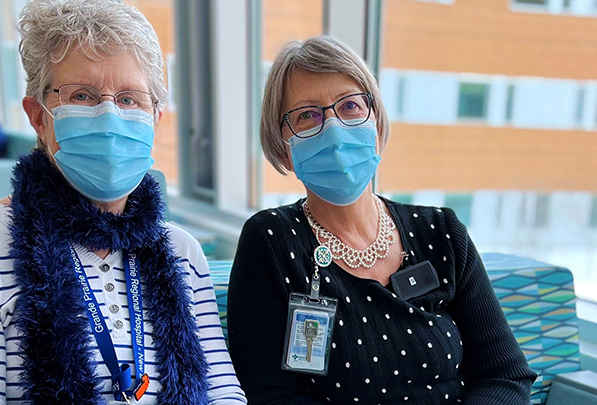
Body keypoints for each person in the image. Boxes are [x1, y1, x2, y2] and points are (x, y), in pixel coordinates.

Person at [0, 1, 246, 404]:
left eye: (129, 99)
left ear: (155, 118)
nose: (108, 114)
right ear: (39, 116)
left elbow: (222, 393)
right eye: (82, 96)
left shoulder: (182, 252)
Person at [228, 36, 536, 405]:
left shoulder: (442, 233)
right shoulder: (271, 241)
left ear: (376, 122)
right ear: (284, 147)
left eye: (351, 106)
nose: (334, 129)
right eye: (308, 115)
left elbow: (505, 373)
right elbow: (272, 395)